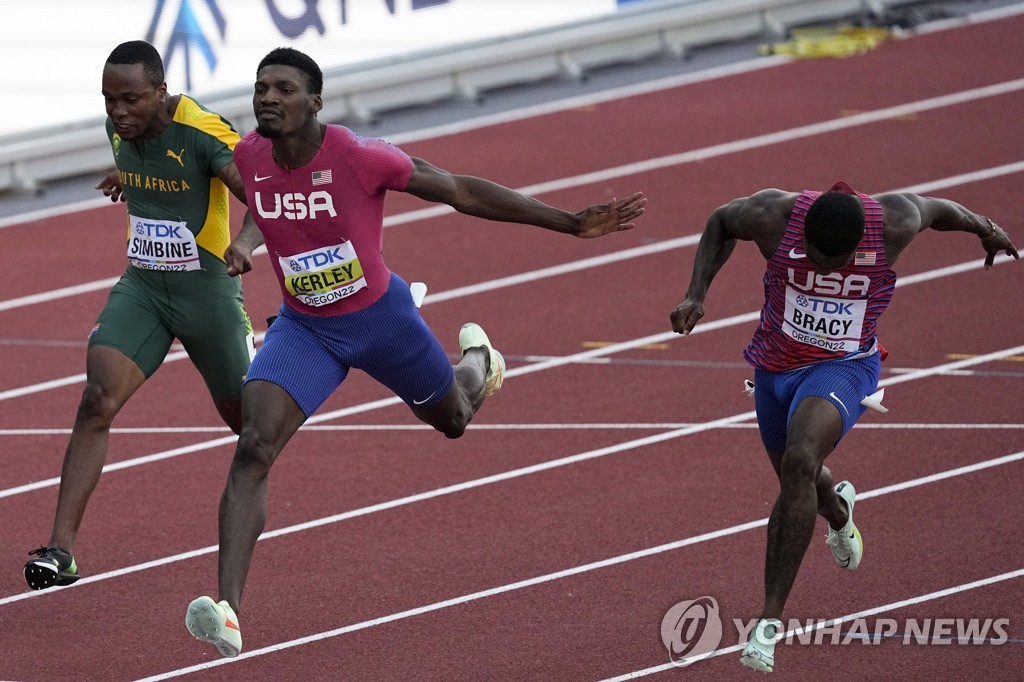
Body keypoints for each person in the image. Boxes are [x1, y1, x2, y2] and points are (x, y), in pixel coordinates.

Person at [182, 46, 646, 657]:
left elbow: (459, 190)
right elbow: (260, 201)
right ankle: (230, 612)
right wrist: (244, 240)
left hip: (380, 319)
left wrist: (566, 221)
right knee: (254, 444)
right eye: (261, 88)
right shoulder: (249, 155)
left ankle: (479, 361)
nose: (268, 98)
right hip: (305, 328)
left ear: (315, 101)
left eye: (285, 89)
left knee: (453, 419)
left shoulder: (357, 156)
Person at [670, 181, 1018, 673]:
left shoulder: (894, 220)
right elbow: (719, 221)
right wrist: (696, 295)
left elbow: (943, 210)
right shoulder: (773, 214)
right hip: (775, 366)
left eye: (838, 261)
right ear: (801, 233)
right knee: (802, 479)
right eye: (814, 257)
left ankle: (767, 626)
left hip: (845, 366)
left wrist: (988, 230)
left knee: (800, 461)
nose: (826, 268)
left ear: (860, 244)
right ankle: (838, 513)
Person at [24, 40, 263, 591]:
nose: (117, 112)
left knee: (250, 431)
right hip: (144, 290)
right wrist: (125, 177)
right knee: (95, 400)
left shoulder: (205, 132)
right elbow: (147, 160)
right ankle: (61, 552)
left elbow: (260, 195)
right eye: (109, 100)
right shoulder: (123, 126)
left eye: (131, 100)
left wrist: (247, 243)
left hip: (208, 295)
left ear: (162, 92)